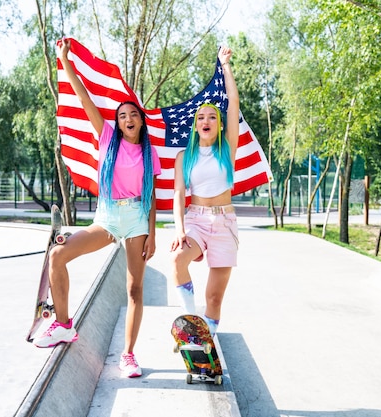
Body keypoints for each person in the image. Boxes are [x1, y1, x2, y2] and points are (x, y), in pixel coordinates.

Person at [33, 39, 161, 379]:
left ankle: (129, 355)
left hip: (136, 218)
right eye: (122, 115)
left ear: (140, 121)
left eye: (133, 114)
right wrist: (64, 60)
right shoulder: (106, 137)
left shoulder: (151, 154)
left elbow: (151, 195)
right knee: (57, 256)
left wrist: (152, 233)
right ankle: (63, 325)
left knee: (134, 289)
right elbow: (83, 97)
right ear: (117, 122)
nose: (128, 118)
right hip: (106, 217)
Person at [169, 46, 239, 337]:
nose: (206, 121)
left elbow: (232, 101)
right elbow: (178, 194)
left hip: (225, 223)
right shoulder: (184, 157)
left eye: (212, 117)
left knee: (214, 297)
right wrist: (179, 228)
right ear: (196, 125)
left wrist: (225, 66)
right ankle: (191, 321)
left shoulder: (227, 149)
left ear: (219, 124)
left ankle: (206, 343)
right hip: (196, 220)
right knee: (176, 259)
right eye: (201, 118)